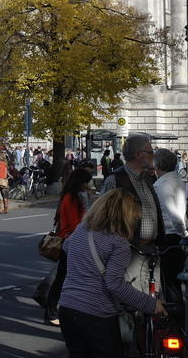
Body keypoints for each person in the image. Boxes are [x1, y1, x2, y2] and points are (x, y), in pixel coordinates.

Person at [58, 189, 166, 358]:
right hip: (96, 313)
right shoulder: (118, 243)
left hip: (67, 308)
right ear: (125, 215)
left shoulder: (82, 229)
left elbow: (66, 247)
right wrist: (151, 304)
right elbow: (114, 284)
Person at [101, 133, 165, 297]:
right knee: (132, 301)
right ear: (139, 155)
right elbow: (103, 219)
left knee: (153, 300)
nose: (153, 156)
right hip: (130, 253)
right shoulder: (116, 179)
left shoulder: (147, 178)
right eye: (150, 152)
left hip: (152, 251)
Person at [45, 168, 93, 326]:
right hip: (72, 240)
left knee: (64, 278)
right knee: (64, 279)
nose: (88, 185)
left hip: (69, 239)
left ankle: (53, 310)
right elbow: (75, 223)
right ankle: (52, 312)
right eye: (86, 182)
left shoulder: (68, 195)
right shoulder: (74, 197)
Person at [152, 148, 187, 308]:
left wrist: (182, 232)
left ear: (157, 165)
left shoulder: (162, 185)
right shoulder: (177, 180)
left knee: (170, 281)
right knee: (174, 279)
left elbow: (173, 213)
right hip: (176, 235)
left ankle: (176, 316)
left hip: (169, 235)